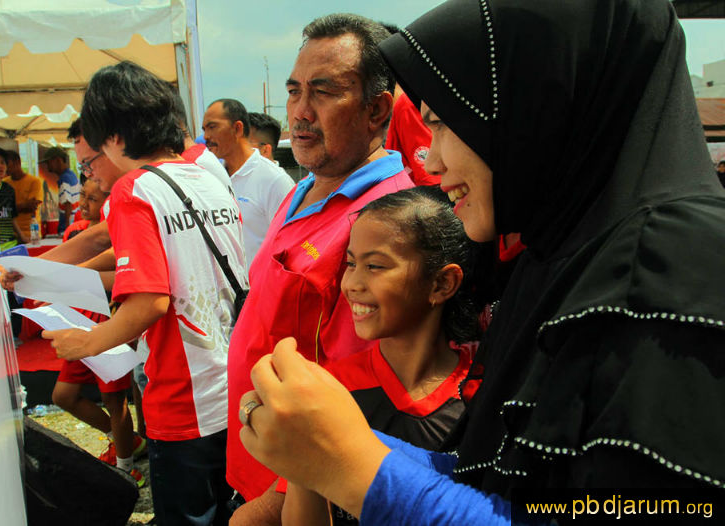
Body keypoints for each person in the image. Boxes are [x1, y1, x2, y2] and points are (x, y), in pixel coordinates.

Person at [236, 1, 725, 524]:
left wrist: (356, 470)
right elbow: (506, 477)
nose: (432, 159)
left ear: (535, 110)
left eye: (446, 123)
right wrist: (331, 445)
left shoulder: (667, 257)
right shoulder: (560, 251)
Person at [226, 13, 414, 524]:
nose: (300, 112)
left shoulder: (386, 220)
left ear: (377, 110)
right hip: (256, 462)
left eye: (324, 92)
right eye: (294, 92)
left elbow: (365, 392)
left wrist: (275, 502)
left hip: (300, 493)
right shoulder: (303, 188)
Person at [43, 61, 246, 526]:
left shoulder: (134, 190)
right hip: (231, 381)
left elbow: (150, 301)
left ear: (113, 137)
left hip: (183, 396)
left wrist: (84, 344)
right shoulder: (207, 177)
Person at [282, 186, 487, 526]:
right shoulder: (329, 390)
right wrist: (301, 459)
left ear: (442, 284)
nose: (352, 283)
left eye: (375, 265)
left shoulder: (485, 388)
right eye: (351, 263)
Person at [202, 98, 294, 265]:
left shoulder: (275, 181)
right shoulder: (211, 177)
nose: (206, 136)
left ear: (237, 128)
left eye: (212, 127)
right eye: (204, 129)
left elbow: (290, 247)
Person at [0, 145, 24, 248]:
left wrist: (21, 236)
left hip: (11, 244)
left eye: (3, 162)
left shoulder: (9, 190)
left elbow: (12, 217)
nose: (0, 166)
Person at [4, 150, 43, 242]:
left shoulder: (34, 181)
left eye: (7, 163)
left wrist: (11, 209)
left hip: (31, 233)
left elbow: (31, 206)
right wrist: (23, 205)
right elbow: (4, 210)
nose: (5, 166)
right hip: (11, 235)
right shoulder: (4, 183)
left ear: (17, 162)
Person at [40, 146, 80, 234]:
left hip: (67, 229)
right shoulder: (71, 175)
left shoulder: (64, 179)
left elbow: (68, 205)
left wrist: (67, 231)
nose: (47, 166)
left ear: (58, 160)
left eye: (48, 162)